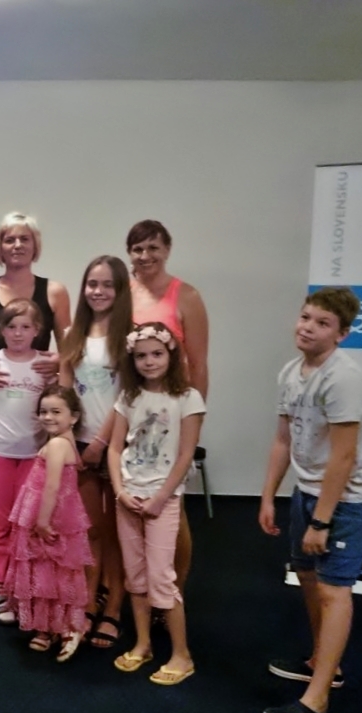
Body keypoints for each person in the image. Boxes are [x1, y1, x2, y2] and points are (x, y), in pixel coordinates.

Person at [258, 288, 362, 713]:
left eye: (322, 323)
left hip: (344, 499)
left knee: (333, 590)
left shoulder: (344, 379)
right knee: (307, 577)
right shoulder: (292, 372)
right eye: (306, 317)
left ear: (341, 334)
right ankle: (323, 663)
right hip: (307, 491)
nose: (308, 327)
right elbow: (282, 440)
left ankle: (319, 698)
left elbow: (343, 457)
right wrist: (268, 496)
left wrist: (322, 520)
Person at [0, 212, 71, 602]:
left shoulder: (54, 291)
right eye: (9, 239)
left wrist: (58, 362)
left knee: (33, 503)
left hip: (38, 406)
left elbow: (71, 347)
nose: (17, 245)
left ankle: (27, 579)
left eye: (24, 239)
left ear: (35, 246)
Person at [108, 322, 205, 686]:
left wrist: (161, 497)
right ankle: (143, 643)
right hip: (128, 497)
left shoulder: (188, 398)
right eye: (141, 356)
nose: (149, 362)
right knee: (135, 576)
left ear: (170, 355)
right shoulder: (128, 398)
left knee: (161, 577)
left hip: (162, 500)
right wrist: (120, 491)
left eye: (157, 354)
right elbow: (115, 448)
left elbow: (185, 454)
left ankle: (182, 655)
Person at [126, 220, 209, 594]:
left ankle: (173, 592)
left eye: (153, 248)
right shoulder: (124, 293)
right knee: (128, 506)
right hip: (130, 408)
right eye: (138, 249)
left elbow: (199, 365)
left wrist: (194, 425)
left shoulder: (186, 296)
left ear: (168, 250)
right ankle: (135, 588)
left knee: (171, 509)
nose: (145, 256)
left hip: (172, 416)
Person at [58, 255, 133, 649]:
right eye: (92, 284)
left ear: (120, 290)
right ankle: (88, 601)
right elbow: (65, 389)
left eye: (107, 285)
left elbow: (127, 396)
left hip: (116, 445)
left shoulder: (130, 335)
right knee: (90, 531)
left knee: (118, 533)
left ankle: (114, 608)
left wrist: (101, 443)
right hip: (79, 442)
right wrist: (67, 438)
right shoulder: (72, 333)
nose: (98, 291)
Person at [0, 299, 51, 623]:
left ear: (37, 330)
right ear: (1, 330)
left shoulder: (45, 364)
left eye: (25, 327)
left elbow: (54, 410)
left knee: (27, 525)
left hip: (34, 456)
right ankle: (1, 587)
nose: (18, 333)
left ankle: (24, 588)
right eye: (12, 327)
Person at [2, 385, 94, 661]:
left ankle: (66, 628)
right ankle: (48, 626)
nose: (48, 417)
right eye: (43, 412)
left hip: (49, 517)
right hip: (55, 514)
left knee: (49, 571)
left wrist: (42, 521)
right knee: (50, 573)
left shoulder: (57, 445)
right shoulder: (64, 441)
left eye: (56, 412)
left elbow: (52, 486)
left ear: (73, 416)